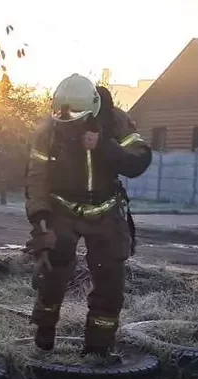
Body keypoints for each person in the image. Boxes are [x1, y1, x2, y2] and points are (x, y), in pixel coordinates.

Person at [25, 75, 152, 358]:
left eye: (74, 119)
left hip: (106, 211)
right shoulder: (49, 130)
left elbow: (140, 159)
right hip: (63, 210)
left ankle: (98, 348)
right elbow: (36, 177)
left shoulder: (116, 120)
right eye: (63, 118)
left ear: (92, 110)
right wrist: (40, 221)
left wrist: (105, 146)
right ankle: (44, 331)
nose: (67, 125)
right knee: (53, 273)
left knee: (110, 282)